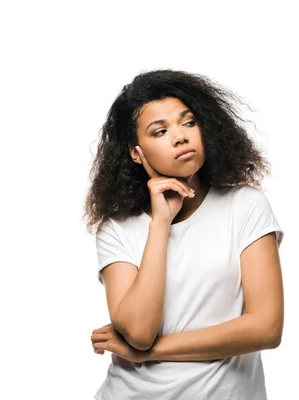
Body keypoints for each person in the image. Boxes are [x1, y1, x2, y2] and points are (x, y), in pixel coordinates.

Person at [83, 69, 285, 400]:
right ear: (137, 153)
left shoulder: (245, 206)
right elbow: (138, 332)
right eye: (160, 131)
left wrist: (149, 353)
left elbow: (265, 328)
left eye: (188, 122)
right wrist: (160, 223)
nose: (180, 136)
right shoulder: (117, 227)